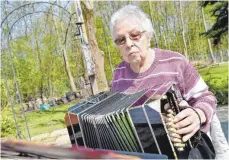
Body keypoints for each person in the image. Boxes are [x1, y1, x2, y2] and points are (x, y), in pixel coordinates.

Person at [109, 4, 225, 158]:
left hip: (183, 149)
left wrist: (198, 114)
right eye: (121, 40)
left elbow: (206, 97)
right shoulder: (118, 74)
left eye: (135, 35)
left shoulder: (175, 62)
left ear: (148, 37)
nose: (129, 44)